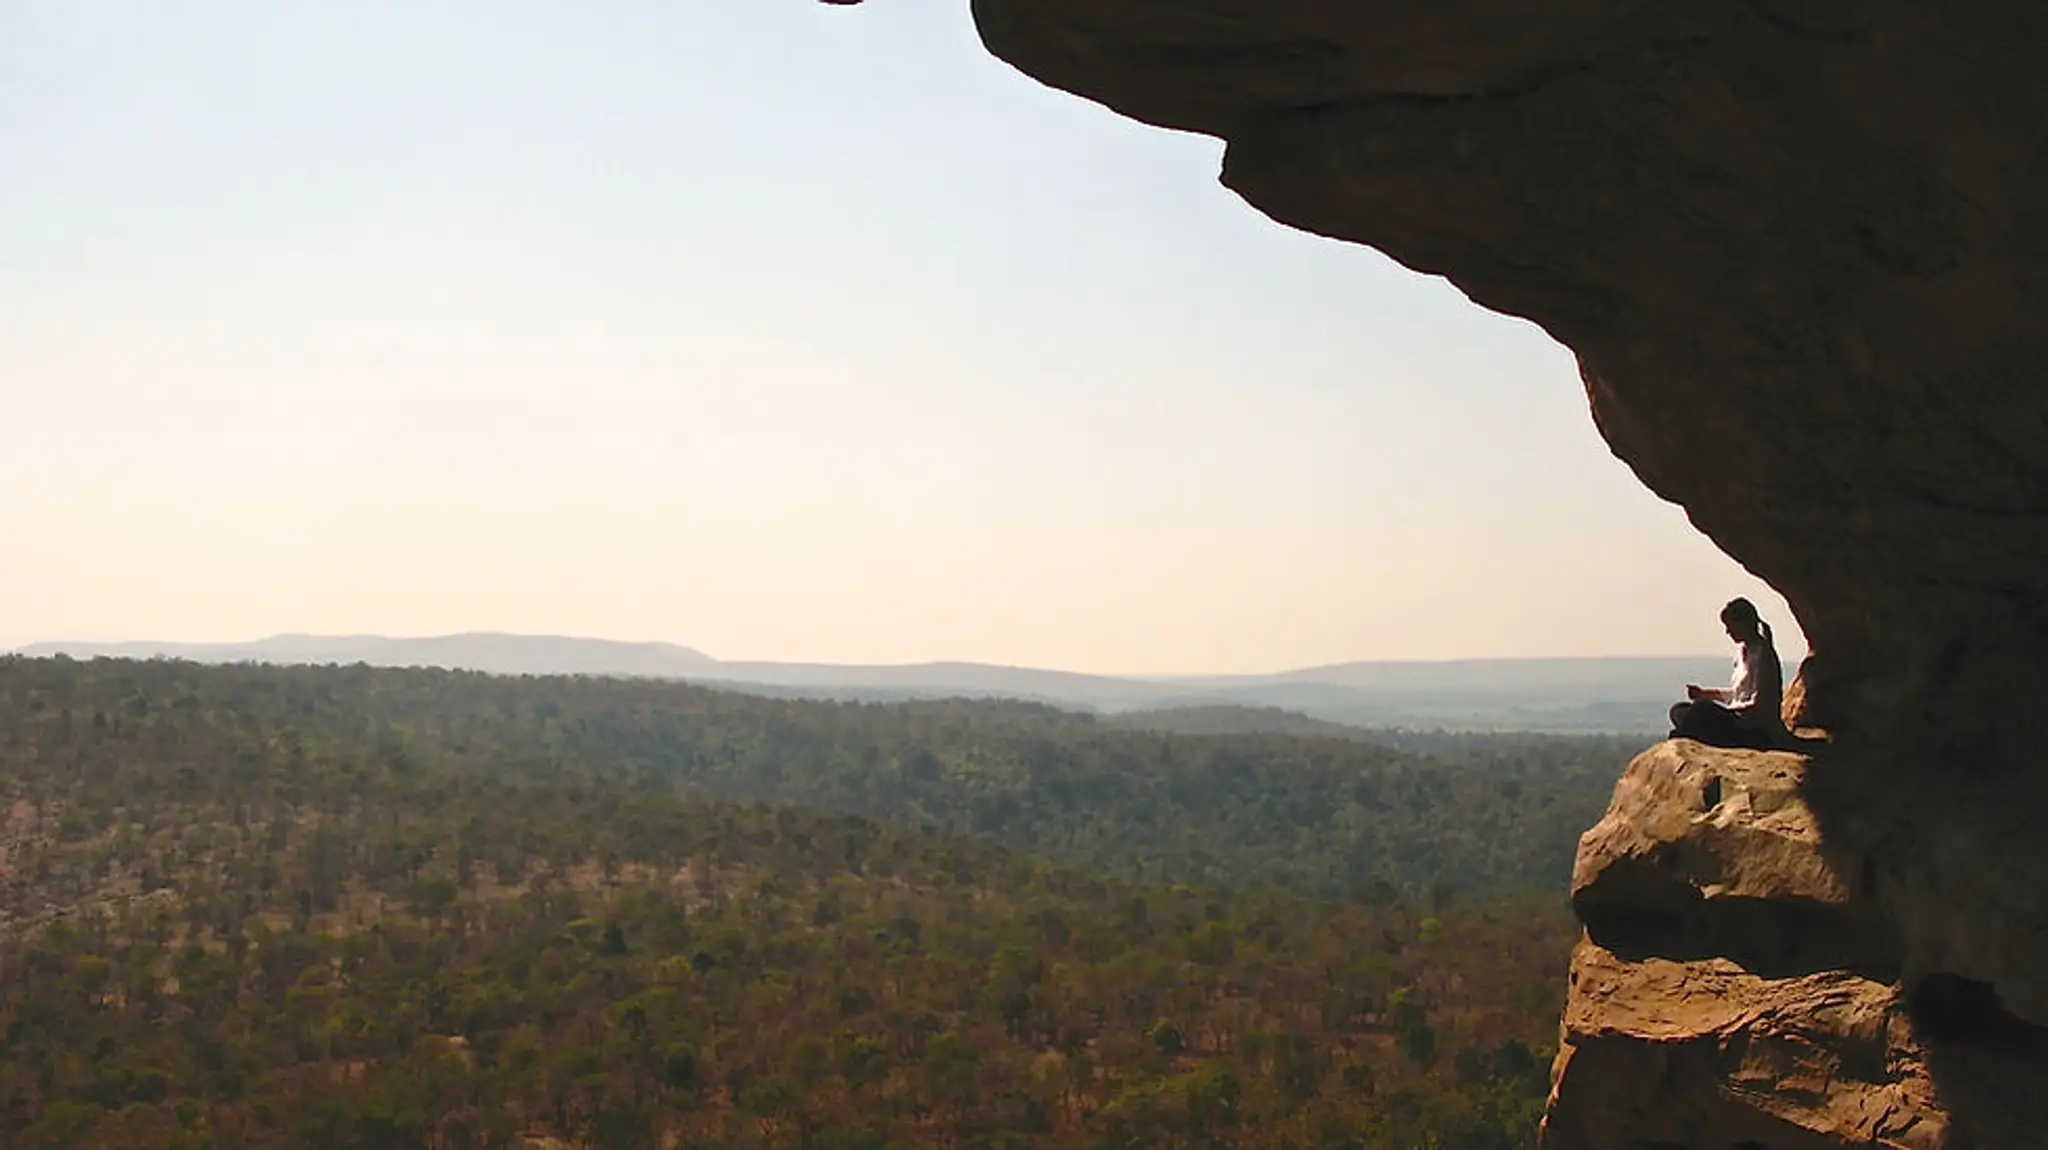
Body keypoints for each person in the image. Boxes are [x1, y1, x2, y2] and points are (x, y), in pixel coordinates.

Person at [1668, 597, 1784, 749]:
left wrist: (1726, 711)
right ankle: (1693, 731)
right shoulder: (1741, 653)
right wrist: (1705, 694)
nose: (1727, 631)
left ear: (1743, 623)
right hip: (1735, 719)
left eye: (1730, 625)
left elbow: (1760, 706)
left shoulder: (1764, 655)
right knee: (1678, 710)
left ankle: (1686, 735)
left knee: (1703, 710)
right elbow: (1738, 694)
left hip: (1753, 729)